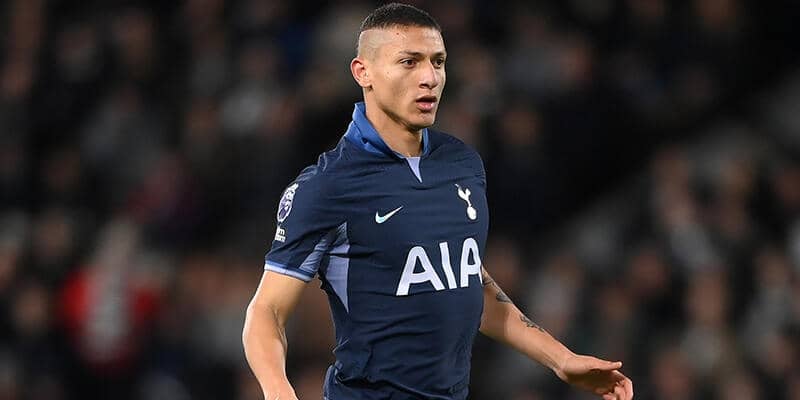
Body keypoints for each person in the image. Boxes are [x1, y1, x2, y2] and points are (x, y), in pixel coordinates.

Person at [242, 3, 634, 400]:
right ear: (363, 72)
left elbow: (469, 282)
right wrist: (278, 389)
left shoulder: (463, 164)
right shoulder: (328, 186)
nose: (429, 77)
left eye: (438, 62)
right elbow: (266, 311)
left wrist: (561, 359)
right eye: (409, 62)